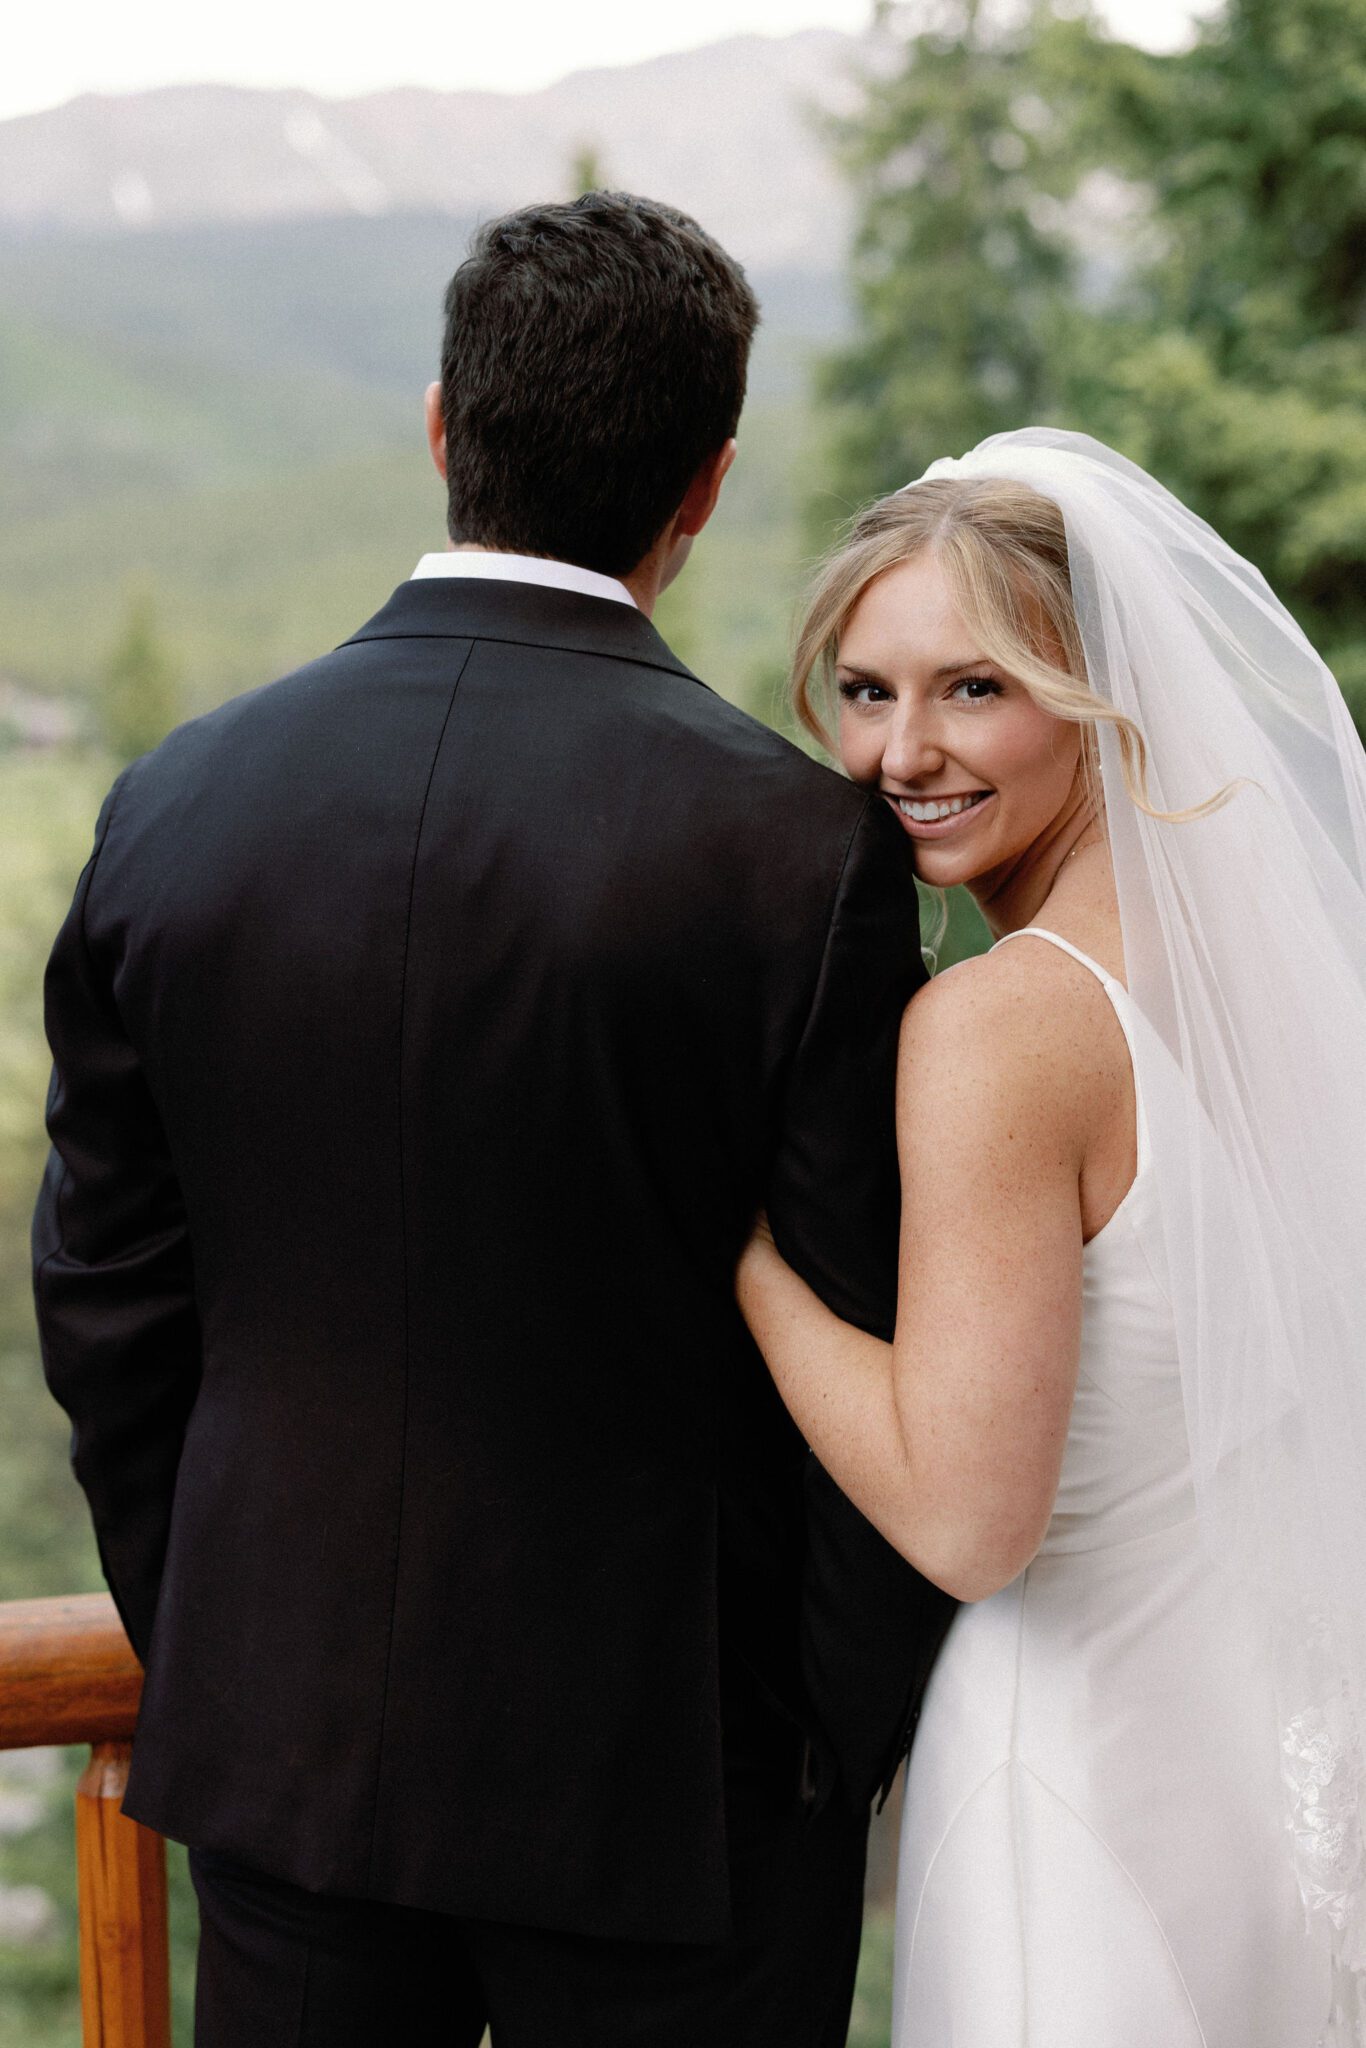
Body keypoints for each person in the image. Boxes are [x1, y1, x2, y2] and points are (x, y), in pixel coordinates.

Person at [30, 191, 953, 2047]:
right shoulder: (798, 856)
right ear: (701, 488)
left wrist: (226, 1639)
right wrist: (824, 1746)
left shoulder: (177, 805)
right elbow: (869, 1329)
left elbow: (110, 1312)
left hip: (283, 1765)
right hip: (675, 1800)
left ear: (444, 428)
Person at [737, 429, 1366, 2045]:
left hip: (1072, 1772)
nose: (901, 752)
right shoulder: (1263, 997)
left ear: (1097, 693)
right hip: (1263, 1771)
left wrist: (733, 1247)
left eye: (973, 688)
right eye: (865, 692)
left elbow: (963, 1522)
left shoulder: (1001, 1025)